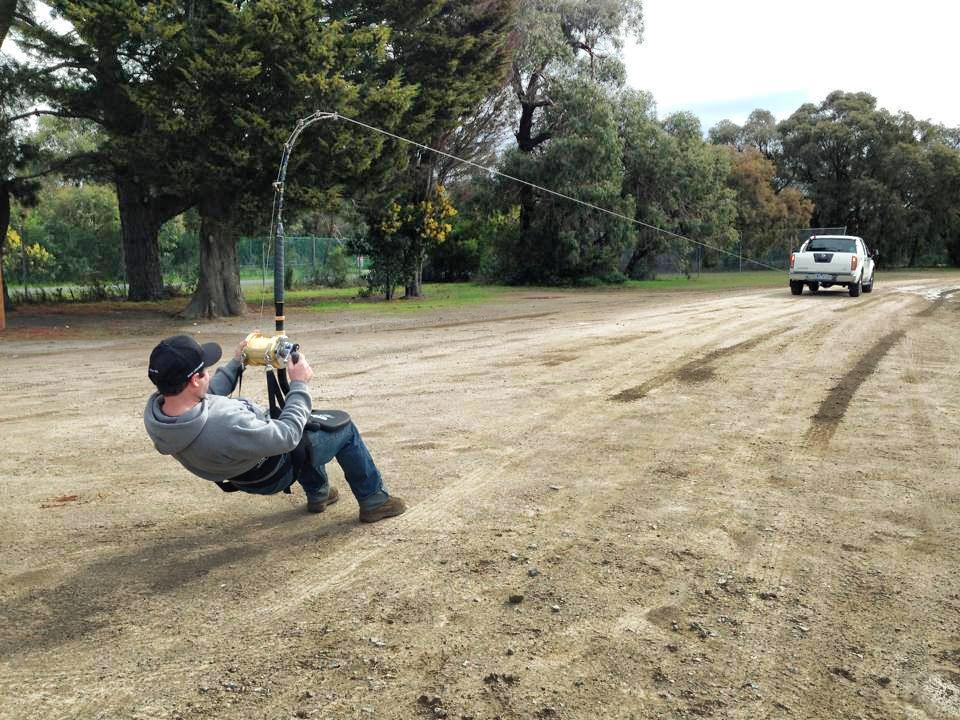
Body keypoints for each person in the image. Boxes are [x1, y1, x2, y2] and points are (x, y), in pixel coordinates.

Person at [143, 334, 406, 523]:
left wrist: (237, 362)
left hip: (241, 475)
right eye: (206, 370)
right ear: (194, 379)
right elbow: (288, 436)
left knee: (304, 422)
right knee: (340, 428)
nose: (209, 374)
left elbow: (208, 395)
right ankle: (374, 501)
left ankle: (319, 493)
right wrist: (300, 384)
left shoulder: (161, 415)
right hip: (274, 471)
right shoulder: (226, 422)